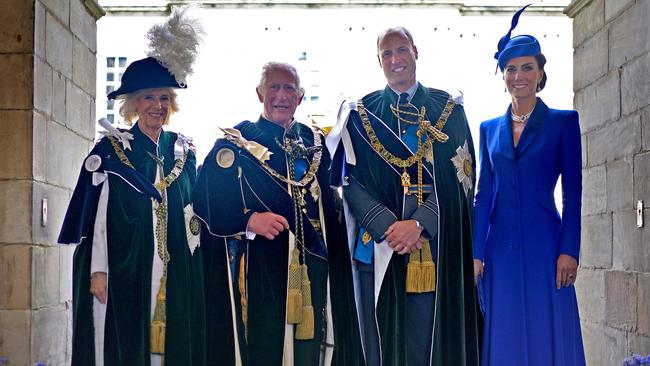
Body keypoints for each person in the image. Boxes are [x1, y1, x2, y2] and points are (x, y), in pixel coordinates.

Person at [58, 8, 206, 366]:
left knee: (170, 346)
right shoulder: (111, 152)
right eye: (148, 98)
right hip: (127, 271)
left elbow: (195, 212)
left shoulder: (183, 150)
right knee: (128, 344)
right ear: (133, 104)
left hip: (177, 272)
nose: (157, 106)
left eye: (163, 98)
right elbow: (98, 223)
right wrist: (98, 271)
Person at [326, 27, 480, 365]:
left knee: (428, 342)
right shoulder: (359, 112)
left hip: (433, 248)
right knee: (380, 341)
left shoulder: (448, 109)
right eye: (387, 54)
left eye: (401, 51)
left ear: (415, 51)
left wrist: (420, 225)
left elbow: (464, 180)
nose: (395, 60)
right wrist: (387, 226)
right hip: (379, 244)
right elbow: (347, 181)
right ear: (379, 60)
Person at [193, 62, 362, 365]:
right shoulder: (238, 142)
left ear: (300, 96)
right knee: (265, 346)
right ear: (260, 93)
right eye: (274, 87)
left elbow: (333, 205)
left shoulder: (315, 142)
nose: (281, 95)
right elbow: (206, 200)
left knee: (314, 346)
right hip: (261, 265)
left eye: (289, 88)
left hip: (315, 264)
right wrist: (248, 220)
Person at [472, 5, 586, 366]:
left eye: (526, 67)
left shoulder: (563, 123)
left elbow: (573, 192)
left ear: (540, 73)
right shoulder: (488, 129)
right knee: (504, 331)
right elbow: (483, 195)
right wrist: (476, 253)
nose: (518, 76)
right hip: (500, 251)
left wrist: (570, 249)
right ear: (503, 75)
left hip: (547, 248)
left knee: (547, 327)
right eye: (510, 69)